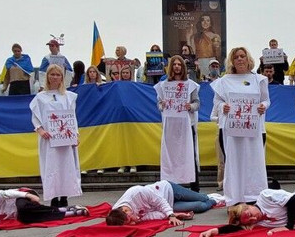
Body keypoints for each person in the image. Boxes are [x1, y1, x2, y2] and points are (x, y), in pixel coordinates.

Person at [212, 47, 270, 205]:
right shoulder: (223, 81)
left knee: (254, 161)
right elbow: (217, 102)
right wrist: (222, 106)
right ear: (232, 60)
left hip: (253, 129)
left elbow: (266, 100)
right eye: (236, 57)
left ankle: (255, 197)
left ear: (248, 58)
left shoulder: (259, 79)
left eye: (242, 56)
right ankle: (235, 198)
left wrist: (263, 106)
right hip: (232, 130)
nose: (239, 59)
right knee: (234, 162)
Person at [29, 65, 82, 208]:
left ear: (62, 78)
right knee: (51, 167)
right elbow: (35, 116)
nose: (54, 77)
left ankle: (64, 196)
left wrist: (75, 134)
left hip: (65, 138)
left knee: (66, 166)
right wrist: (40, 130)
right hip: (49, 139)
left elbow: (72, 117)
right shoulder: (40, 98)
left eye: (58, 75)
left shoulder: (68, 97)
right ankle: (53, 197)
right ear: (47, 76)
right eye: (52, 74)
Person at [156, 55, 201, 191]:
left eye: (179, 64)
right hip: (171, 126)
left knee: (190, 155)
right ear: (171, 67)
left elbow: (197, 103)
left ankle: (195, 188)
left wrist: (190, 107)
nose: (176, 67)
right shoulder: (163, 86)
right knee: (170, 155)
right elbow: (159, 104)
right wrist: (162, 104)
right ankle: (170, 187)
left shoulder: (191, 85)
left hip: (187, 125)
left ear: (183, 67)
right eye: (174, 64)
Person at [106, 180, 216, 226]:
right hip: (169, 206)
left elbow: (160, 201)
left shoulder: (136, 192)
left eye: (130, 220)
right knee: (200, 206)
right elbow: (152, 215)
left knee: (202, 198)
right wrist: (172, 215)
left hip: (168, 190)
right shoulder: (119, 213)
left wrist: (171, 215)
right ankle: (214, 201)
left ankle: (213, 197)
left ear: (126, 210)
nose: (133, 223)